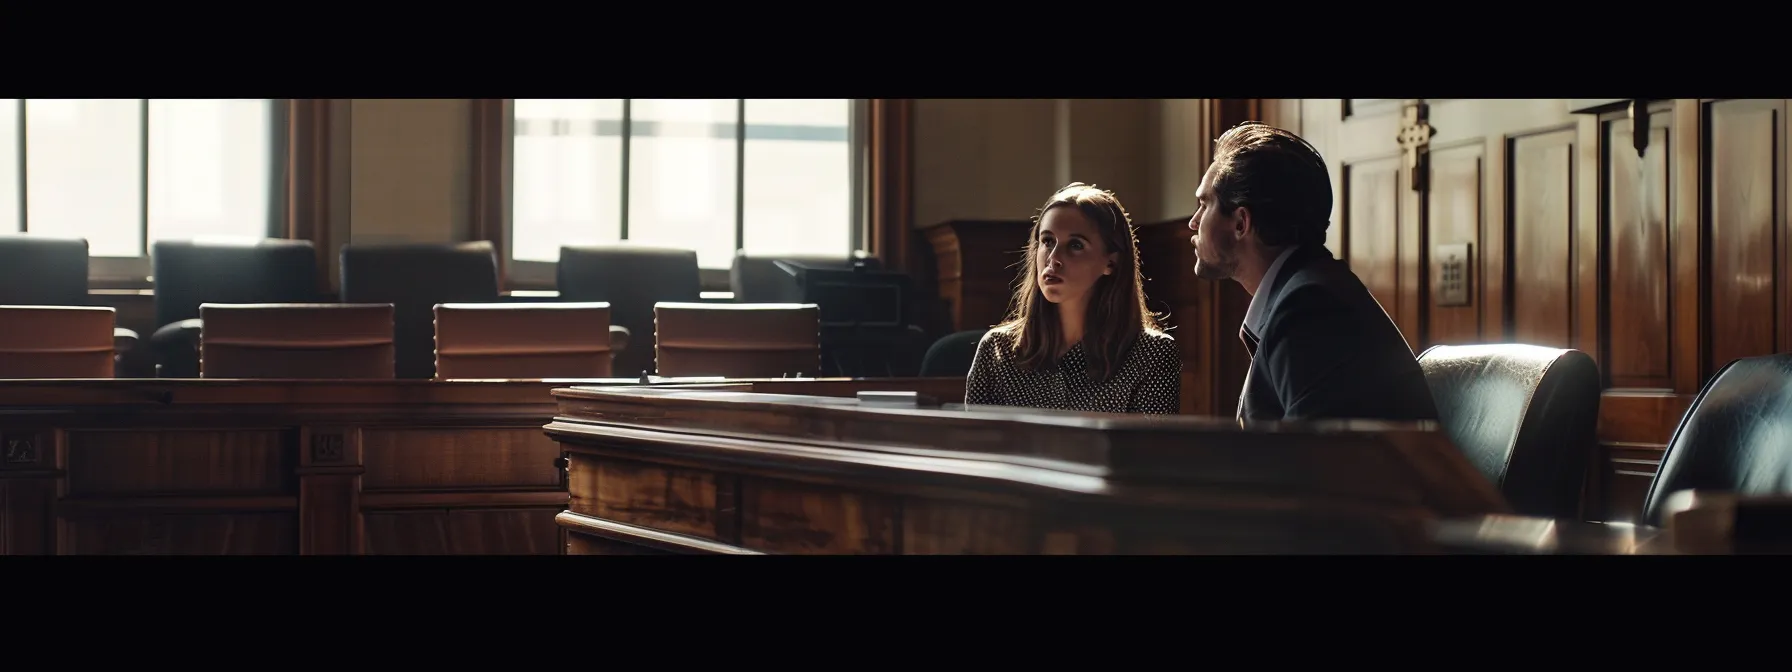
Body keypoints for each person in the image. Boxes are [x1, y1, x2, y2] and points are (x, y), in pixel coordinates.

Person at [1188, 121, 1438, 422]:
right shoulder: (1307, 290)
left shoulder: (1308, 307)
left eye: (1204, 204)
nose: (1193, 222)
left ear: (1241, 223)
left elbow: (1310, 464)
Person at [965, 182, 1181, 415]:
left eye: (1076, 245)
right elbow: (975, 446)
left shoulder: (1151, 355)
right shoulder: (997, 350)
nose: (1054, 259)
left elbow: (1150, 450)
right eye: (1047, 241)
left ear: (1111, 262)